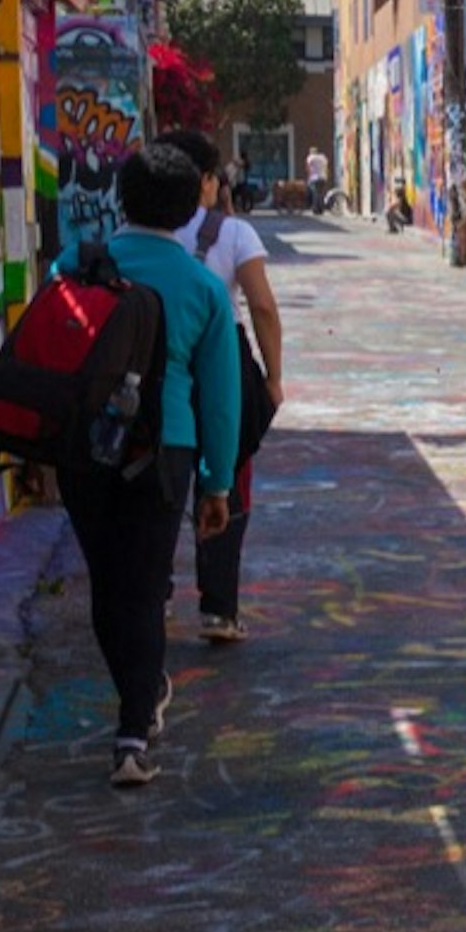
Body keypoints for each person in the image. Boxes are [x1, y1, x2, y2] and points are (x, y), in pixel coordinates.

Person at [63, 145, 240, 788]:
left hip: (84, 448)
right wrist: (217, 485)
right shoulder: (201, 287)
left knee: (110, 587)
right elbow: (220, 398)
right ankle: (134, 728)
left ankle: (138, 706)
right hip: (166, 451)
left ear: (120, 196)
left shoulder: (77, 267)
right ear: (194, 201)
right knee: (145, 585)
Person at [159, 129, 283, 642]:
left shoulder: (144, 231)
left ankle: (157, 594)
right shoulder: (233, 236)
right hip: (221, 361)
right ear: (207, 181)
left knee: (160, 479)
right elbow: (262, 307)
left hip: (160, 360)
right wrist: (273, 378)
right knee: (228, 473)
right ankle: (219, 609)